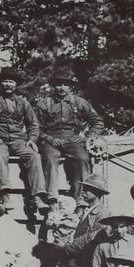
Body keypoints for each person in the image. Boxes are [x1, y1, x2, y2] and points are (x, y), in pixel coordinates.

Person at [0, 67, 45, 216]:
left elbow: (33, 124)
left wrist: (32, 139)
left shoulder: (23, 103)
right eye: (6, 81)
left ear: (16, 84)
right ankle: (5, 196)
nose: (9, 84)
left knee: (34, 156)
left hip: (18, 140)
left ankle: (38, 197)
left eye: (12, 81)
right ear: (0, 84)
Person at [34, 173, 111, 267]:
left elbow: (91, 237)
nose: (84, 192)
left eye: (88, 190)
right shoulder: (83, 211)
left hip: (87, 264)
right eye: (84, 189)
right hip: (75, 264)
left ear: (98, 193)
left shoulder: (103, 214)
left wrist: (66, 247)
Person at [35, 68, 105, 200]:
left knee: (82, 158)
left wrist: (87, 138)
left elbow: (97, 121)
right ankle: (51, 197)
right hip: (51, 140)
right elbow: (35, 128)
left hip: (73, 139)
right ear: (52, 86)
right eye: (58, 84)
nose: (62, 88)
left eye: (65, 84)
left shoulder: (79, 102)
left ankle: (81, 198)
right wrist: (48, 138)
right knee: (50, 159)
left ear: (70, 86)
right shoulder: (43, 104)